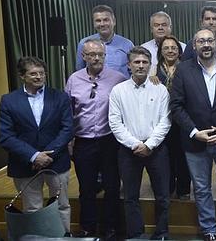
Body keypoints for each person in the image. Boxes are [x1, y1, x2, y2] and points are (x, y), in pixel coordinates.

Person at [170, 29, 216, 241]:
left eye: (209, 40)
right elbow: (176, 106)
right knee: (202, 190)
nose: (206, 45)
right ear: (194, 45)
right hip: (195, 142)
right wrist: (195, 132)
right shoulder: (183, 70)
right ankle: (209, 230)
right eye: (201, 41)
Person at [0, 56, 73, 236]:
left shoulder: (60, 97)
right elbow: (6, 136)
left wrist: (48, 155)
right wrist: (34, 156)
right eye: (33, 74)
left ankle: (64, 238)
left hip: (56, 161)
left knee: (62, 205)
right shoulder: (8, 101)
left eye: (41, 73)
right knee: (33, 208)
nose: (39, 77)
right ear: (22, 76)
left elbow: (67, 129)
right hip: (25, 163)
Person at [65, 39, 126, 240]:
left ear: (105, 56)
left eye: (100, 54)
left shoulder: (117, 78)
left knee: (111, 186)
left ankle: (111, 227)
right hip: (83, 142)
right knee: (87, 188)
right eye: (91, 54)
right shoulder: (74, 79)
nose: (96, 58)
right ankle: (88, 228)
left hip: (109, 141)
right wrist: (69, 141)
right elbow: (68, 112)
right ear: (83, 57)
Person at [108, 46, 171, 239]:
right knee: (130, 197)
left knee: (162, 196)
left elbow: (165, 120)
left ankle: (161, 233)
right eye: (137, 62)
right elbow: (115, 122)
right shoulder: (118, 91)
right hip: (129, 151)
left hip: (157, 149)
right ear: (129, 65)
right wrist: (135, 144)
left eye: (145, 62)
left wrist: (149, 144)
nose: (141, 65)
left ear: (150, 64)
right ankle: (136, 234)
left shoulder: (160, 89)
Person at [156, 35, 191, 199]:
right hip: (161, 119)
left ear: (179, 51)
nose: (170, 51)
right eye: (166, 48)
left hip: (182, 117)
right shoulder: (153, 70)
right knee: (165, 155)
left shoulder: (187, 68)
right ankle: (168, 187)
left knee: (182, 155)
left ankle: (183, 189)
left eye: (173, 48)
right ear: (161, 51)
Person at [76, 5, 134, 77]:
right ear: (94, 23)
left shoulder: (127, 44)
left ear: (114, 21)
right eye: (98, 21)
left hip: (121, 87)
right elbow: (80, 72)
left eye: (106, 20)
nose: (102, 24)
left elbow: (133, 72)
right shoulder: (84, 43)